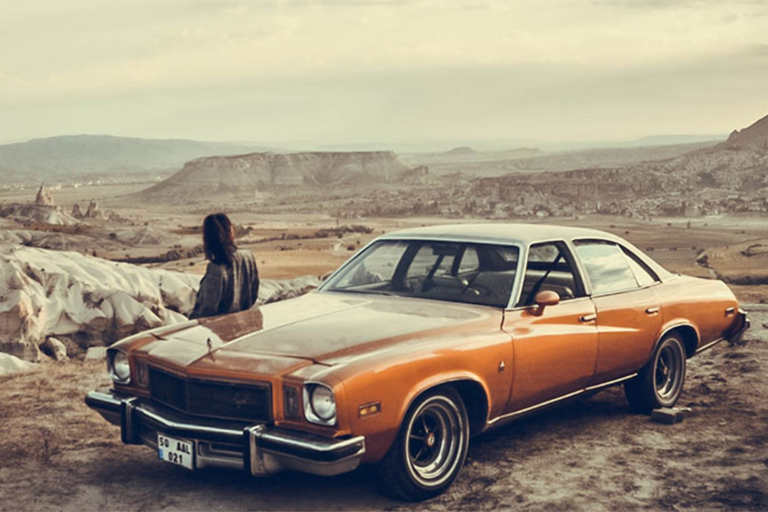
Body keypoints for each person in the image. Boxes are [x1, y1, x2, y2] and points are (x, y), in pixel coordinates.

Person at [189, 213, 260, 319]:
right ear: (230, 232)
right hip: (244, 323)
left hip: (220, 329)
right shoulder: (248, 257)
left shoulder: (216, 267)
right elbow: (254, 293)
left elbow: (208, 309)